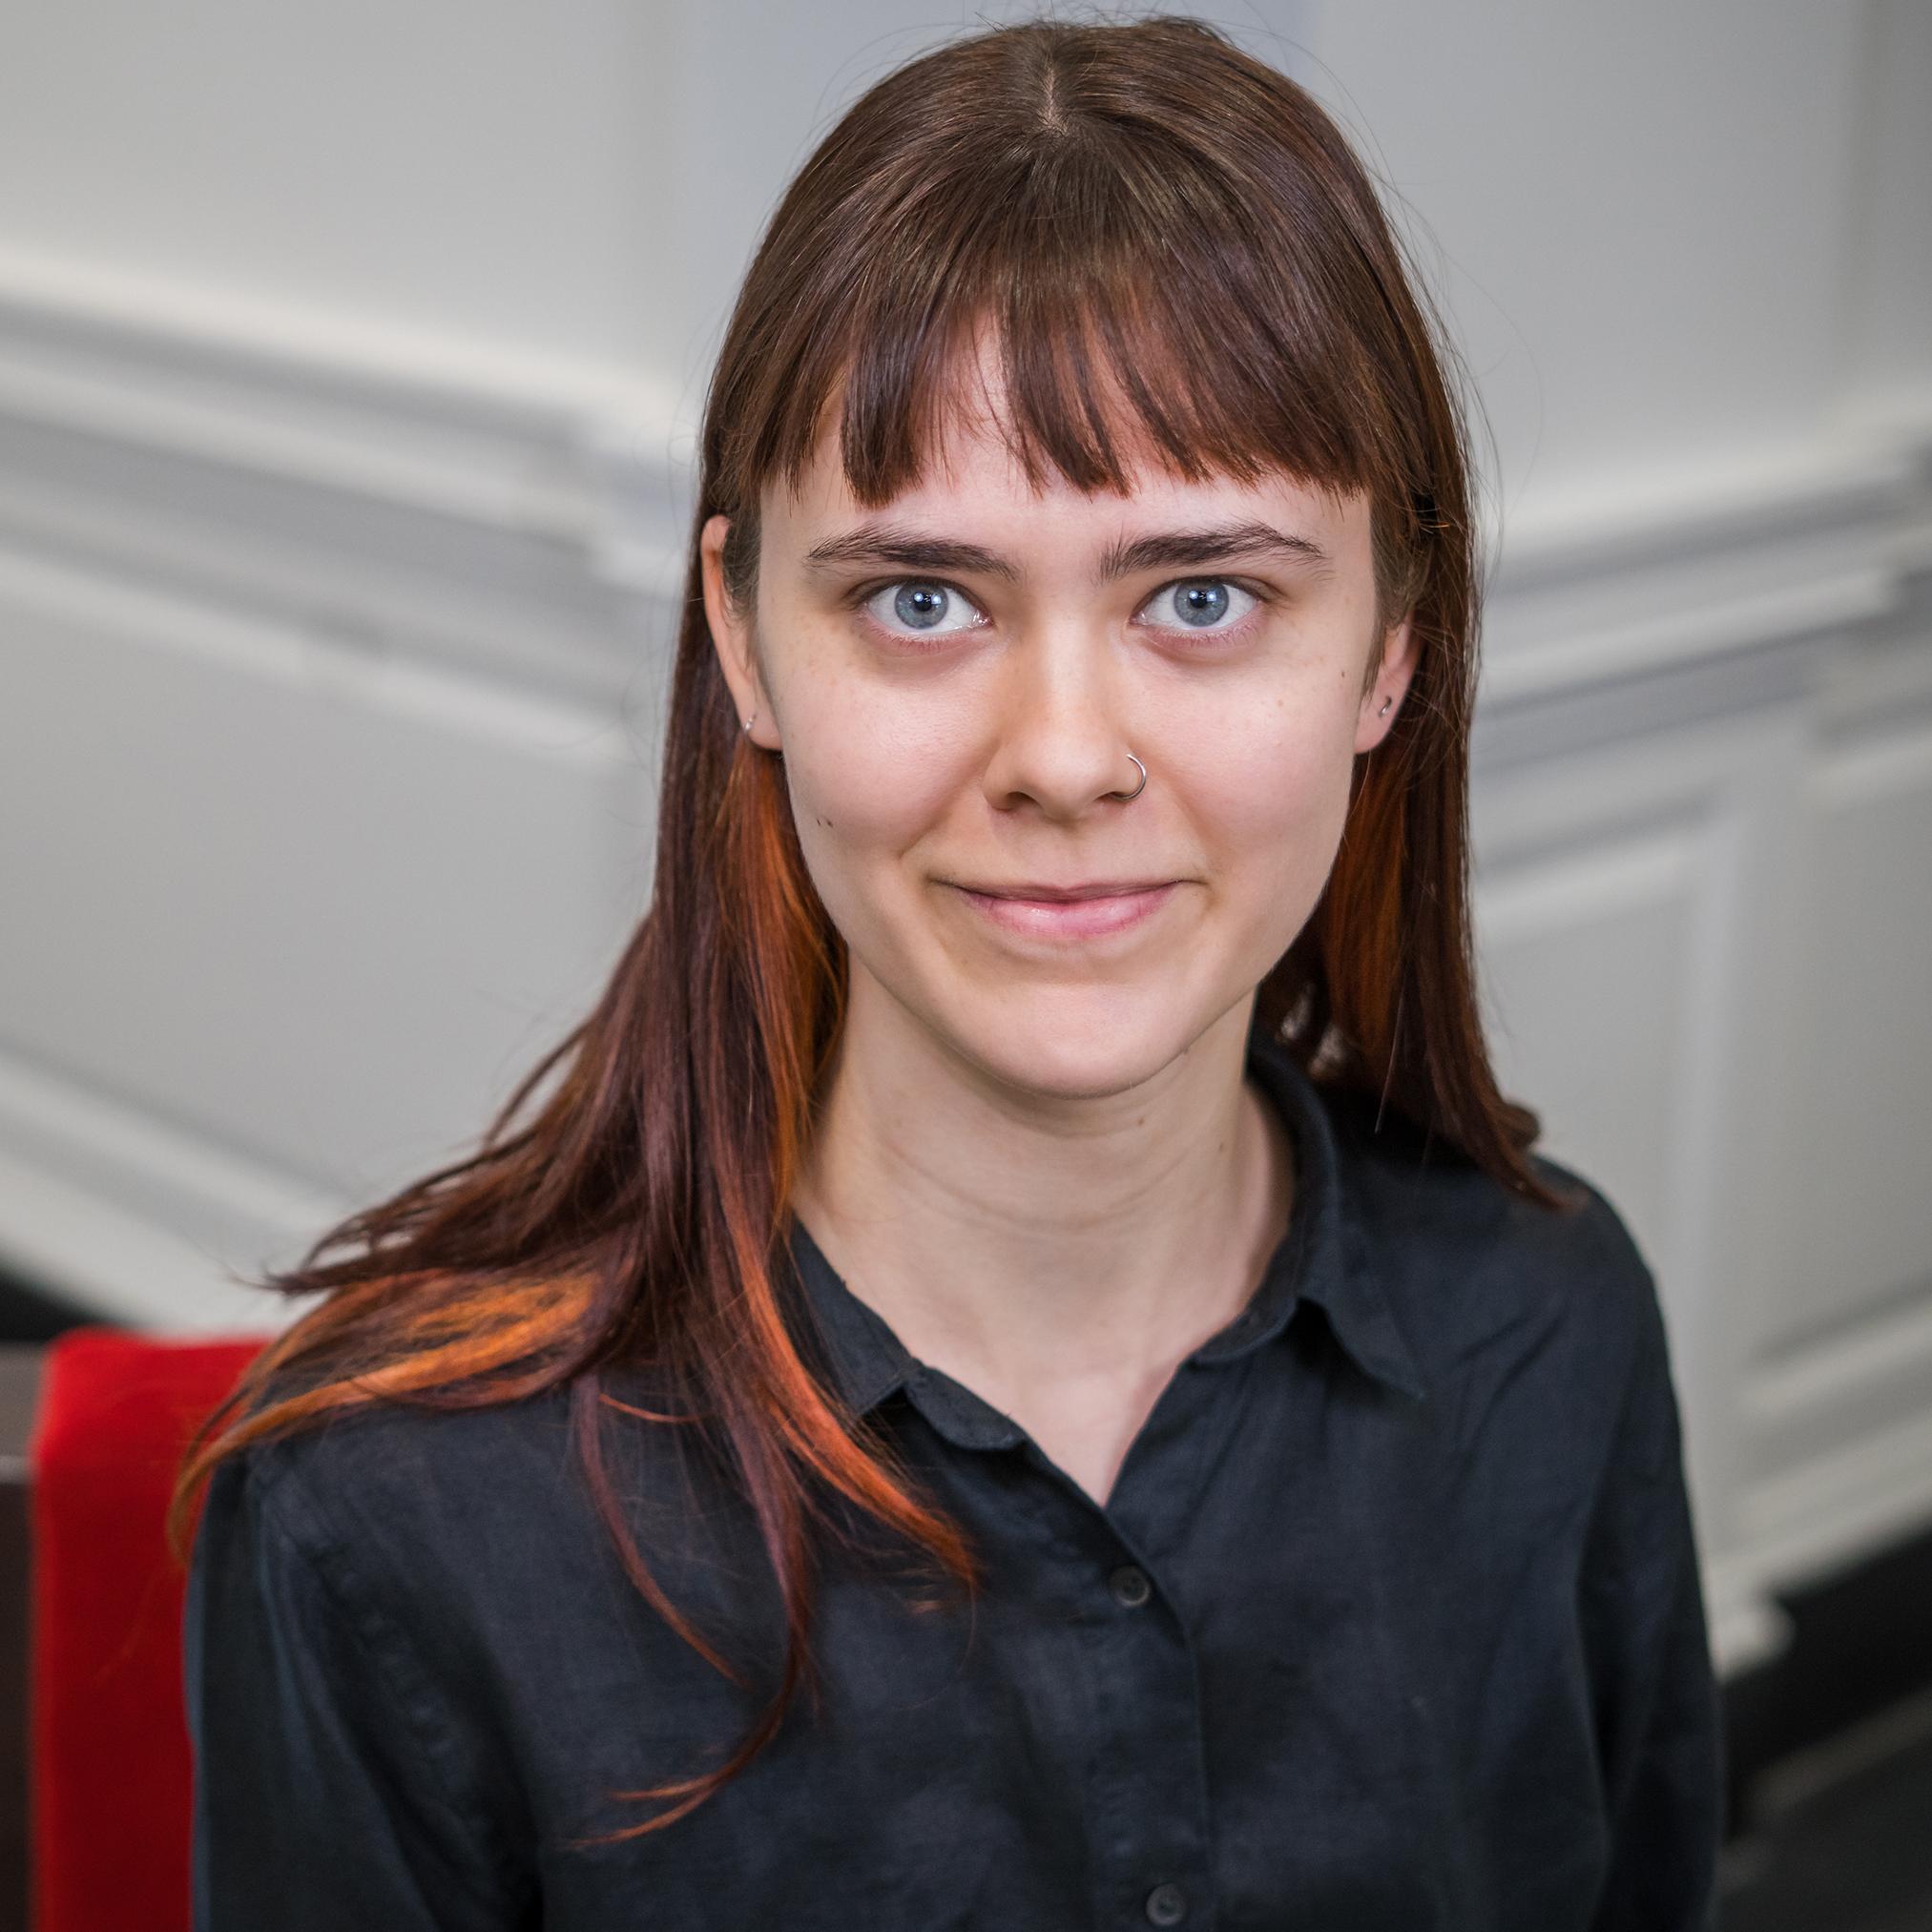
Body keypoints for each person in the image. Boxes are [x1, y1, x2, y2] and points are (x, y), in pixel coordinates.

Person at [173, 14, 1725, 1929]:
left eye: (1200, 596)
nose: (1061, 754)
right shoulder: (393, 1515)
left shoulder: (1550, 1328)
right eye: (921, 598)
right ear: (742, 640)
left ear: (1388, 653)